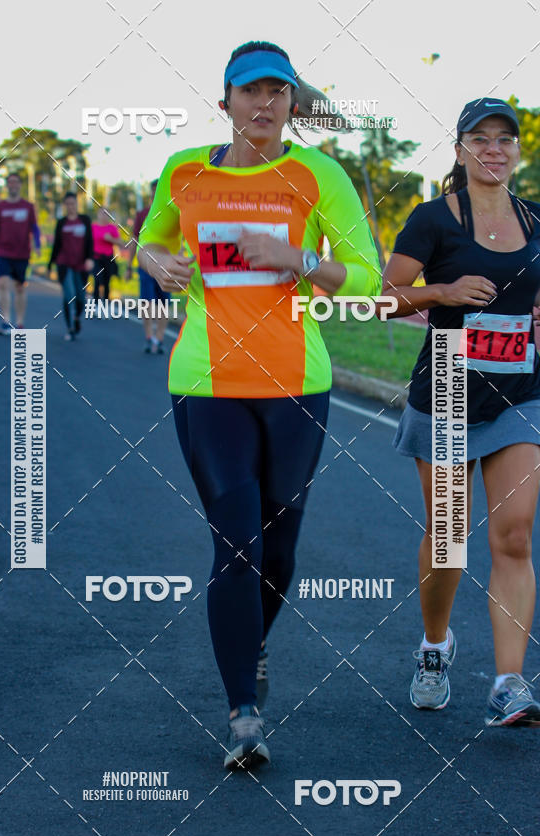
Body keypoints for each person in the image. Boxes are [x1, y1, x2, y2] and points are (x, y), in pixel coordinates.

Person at [138, 40, 381, 769]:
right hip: (207, 384)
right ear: (226, 103)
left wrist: (299, 261)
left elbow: (366, 277)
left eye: (279, 92)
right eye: (251, 92)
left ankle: (253, 642)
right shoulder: (186, 174)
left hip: (296, 385)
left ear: (291, 103)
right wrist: (156, 261)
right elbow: (151, 242)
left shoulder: (317, 174)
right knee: (237, 544)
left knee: (279, 549)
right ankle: (243, 712)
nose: (266, 105)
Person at [381, 98, 540, 727]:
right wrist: (441, 292)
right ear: (460, 149)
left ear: (518, 152)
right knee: (448, 539)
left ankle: (509, 683)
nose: (494, 149)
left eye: (506, 139)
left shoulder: (536, 222)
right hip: (447, 384)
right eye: (481, 138)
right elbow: (384, 300)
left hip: (521, 392)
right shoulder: (432, 220)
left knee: (515, 531)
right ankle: (435, 647)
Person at [0, 172, 40, 334]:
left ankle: (20, 322)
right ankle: (6, 320)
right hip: (3, 251)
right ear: (7, 185)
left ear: (20, 185)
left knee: (19, 288)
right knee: (2, 283)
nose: (13, 185)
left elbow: (34, 228)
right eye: (10, 182)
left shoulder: (27, 206)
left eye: (16, 182)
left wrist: (37, 245)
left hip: (22, 253)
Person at [127, 179, 170, 354]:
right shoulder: (141, 214)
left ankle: (159, 338)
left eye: (158, 191)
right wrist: (128, 266)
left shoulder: (171, 212)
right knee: (147, 302)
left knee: (164, 303)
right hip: (145, 265)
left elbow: (180, 239)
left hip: (166, 265)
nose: (155, 194)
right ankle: (148, 337)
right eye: (153, 191)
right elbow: (134, 240)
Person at [49, 192, 93, 340]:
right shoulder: (61, 222)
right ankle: (70, 328)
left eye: (73, 203)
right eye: (67, 204)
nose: (70, 207)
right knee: (69, 295)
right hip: (64, 263)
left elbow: (90, 242)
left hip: (80, 264)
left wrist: (90, 258)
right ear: (65, 205)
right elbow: (56, 244)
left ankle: (76, 318)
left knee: (81, 298)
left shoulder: (85, 220)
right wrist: (50, 263)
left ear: (77, 204)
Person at [92, 207, 124, 302]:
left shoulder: (112, 228)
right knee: (97, 279)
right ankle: (96, 303)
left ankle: (105, 304)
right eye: (102, 213)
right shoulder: (93, 227)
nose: (104, 216)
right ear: (98, 214)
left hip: (108, 258)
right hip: (96, 258)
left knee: (106, 281)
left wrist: (110, 239)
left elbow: (121, 243)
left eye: (106, 214)